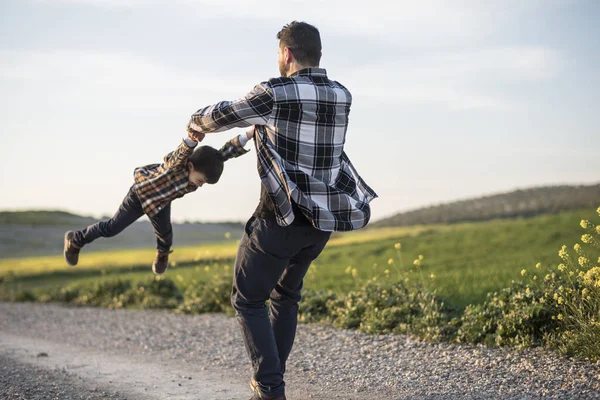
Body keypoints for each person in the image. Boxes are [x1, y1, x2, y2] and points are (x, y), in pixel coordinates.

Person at [186, 21, 377, 400]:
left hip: (280, 220)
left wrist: (194, 124)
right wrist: (240, 142)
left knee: (247, 297)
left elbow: (219, 116)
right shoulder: (342, 95)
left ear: (286, 53)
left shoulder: (274, 93)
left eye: (278, 53)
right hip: (320, 224)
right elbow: (273, 129)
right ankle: (272, 380)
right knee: (285, 296)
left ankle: (270, 387)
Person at [62, 134, 247, 274]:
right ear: (190, 166)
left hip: (160, 203)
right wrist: (191, 138)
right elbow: (181, 153)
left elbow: (223, 154)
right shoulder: (175, 167)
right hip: (139, 195)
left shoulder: (202, 168)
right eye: (200, 180)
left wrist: (248, 135)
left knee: (166, 237)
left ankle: (162, 255)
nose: (200, 185)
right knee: (111, 228)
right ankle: (76, 240)